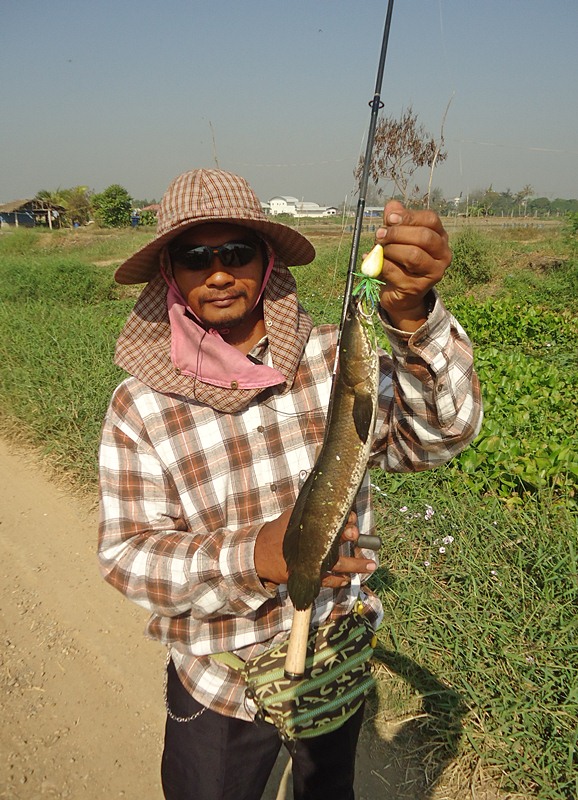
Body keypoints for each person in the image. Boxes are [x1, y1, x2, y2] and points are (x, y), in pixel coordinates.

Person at [97, 168, 482, 800]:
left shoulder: (336, 356)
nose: (218, 272)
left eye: (236, 251)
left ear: (266, 258)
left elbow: (438, 435)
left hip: (334, 660)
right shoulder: (139, 405)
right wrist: (256, 556)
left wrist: (412, 316)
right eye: (195, 257)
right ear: (170, 271)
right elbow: (128, 557)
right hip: (219, 684)